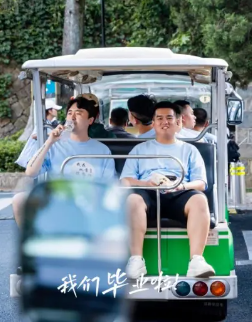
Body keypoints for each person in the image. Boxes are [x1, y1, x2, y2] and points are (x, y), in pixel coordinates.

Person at [120, 101, 215, 279]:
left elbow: (200, 183)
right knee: (132, 200)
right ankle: (136, 260)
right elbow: (125, 180)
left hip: (179, 192)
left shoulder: (190, 150)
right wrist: (146, 183)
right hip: (148, 193)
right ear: (153, 123)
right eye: (160, 118)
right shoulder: (139, 149)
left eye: (169, 118)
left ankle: (196, 261)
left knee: (199, 199)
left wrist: (181, 186)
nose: (165, 122)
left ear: (178, 122)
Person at [12, 96, 117, 228]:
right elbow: (31, 172)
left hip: (89, 204)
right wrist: (49, 142)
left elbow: (109, 186)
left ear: (90, 120)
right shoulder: (54, 145)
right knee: (19, 199)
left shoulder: (102, 150)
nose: (72, 117)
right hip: (57, 202)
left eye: (78, 113)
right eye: (69, 113)